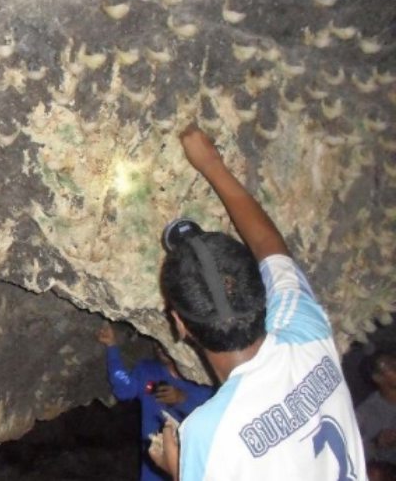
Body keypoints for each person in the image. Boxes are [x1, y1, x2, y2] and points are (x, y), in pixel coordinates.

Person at [146, 124, 364, 480]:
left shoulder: (208, 433)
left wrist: (176, 469)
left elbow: (267, 247)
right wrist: (212, 165)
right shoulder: (306, 334)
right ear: (260, 291)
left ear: (181, 325)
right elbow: (268, 244)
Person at [97, 323, 215, 481]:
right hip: (154, 472)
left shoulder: (201, 380)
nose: (160, 347)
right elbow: (124, 390)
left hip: (195, 468)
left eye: (164, 342)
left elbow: (214, 418)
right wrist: (112, 347)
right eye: (156, 342)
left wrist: (182, 399)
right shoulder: (148, 370)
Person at [358, 351, 396, 467]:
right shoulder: (366, 413)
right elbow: (357, 454)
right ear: (378, 378)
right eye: (390, 366)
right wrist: (377, 442)